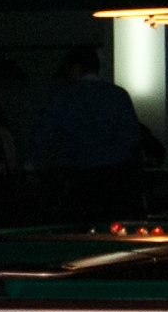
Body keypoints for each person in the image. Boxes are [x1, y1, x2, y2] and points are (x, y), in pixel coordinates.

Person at [30, 45, 144, 222]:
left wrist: (33, 164)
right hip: (117, 179)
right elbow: (133, 137)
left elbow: (44, 136)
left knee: (84, 226)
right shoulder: (118, 95)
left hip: (80, 179)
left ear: (76, 68)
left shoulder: (63, 97)